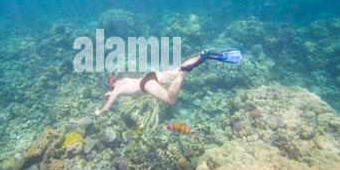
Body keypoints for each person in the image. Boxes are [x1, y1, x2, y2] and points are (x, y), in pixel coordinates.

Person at [95, 50, 242, 115]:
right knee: (178, 68)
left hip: (146, 85)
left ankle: (183, 74)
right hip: (151, 75)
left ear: (111, 85)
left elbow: (107, 107)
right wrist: (110, 90)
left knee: (170, 99)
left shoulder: (116, 90)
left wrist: (99, 111)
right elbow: (115, 88)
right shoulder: (123, 80)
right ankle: (203, 56)